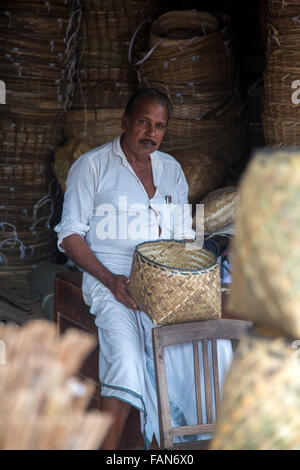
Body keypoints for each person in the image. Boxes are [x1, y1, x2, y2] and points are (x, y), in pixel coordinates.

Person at [54, 88, 233, 449]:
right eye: (143, 122)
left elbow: (184, 238)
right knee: (127, 358)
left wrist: (192, 276)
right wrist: (111, 281)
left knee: (211, 348)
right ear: (125, 122)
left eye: (160, 126)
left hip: (166, 281)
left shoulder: (171, 170)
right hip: (109, 276)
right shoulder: (92, 166)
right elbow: (69, 236)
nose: (151, 133)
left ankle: (185, 445)